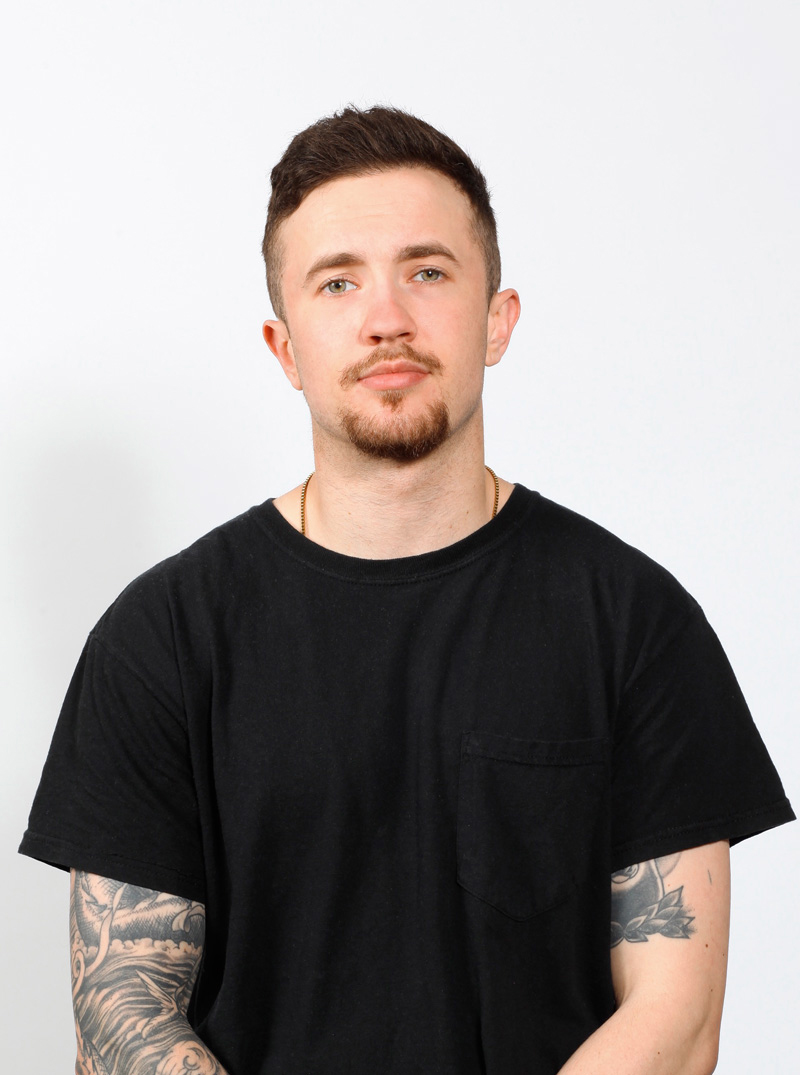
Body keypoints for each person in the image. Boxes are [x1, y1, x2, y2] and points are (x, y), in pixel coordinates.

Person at [20, 105, 794, 1075]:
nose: (385, 316)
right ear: (283, 345)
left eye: (426, 271)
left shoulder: (630, 620)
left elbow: (674, 1023)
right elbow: (120, 1016)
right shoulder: (163, 637)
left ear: (495, 317)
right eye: (337, 281)